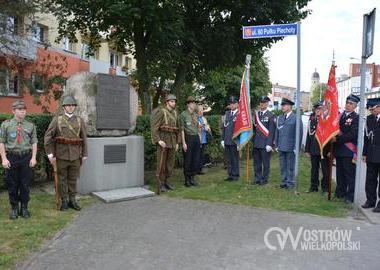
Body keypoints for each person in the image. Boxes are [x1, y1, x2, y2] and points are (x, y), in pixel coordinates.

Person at [44, 95, 88, 211]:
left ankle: (72, 200)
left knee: (73, 179)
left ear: (74, 107)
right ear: (64, 107)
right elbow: (48, 137)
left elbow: (83, 138)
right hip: (61, 155)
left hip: (75, 155)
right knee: (62, 179)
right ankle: (64, 200)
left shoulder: (79, 120)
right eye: (68, 105)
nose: (70, 108)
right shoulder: (57, 120)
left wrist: (84, 154)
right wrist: (50, 154)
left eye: (72, 105)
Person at [0, 100, 37, 219]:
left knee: (25, 184)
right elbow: (2, 143)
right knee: (12, 184)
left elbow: (34, 143)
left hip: (26, 157)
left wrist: (34, 157)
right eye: (20, 109)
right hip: (12, 157)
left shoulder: (30, 125)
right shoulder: (6, 125)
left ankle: (24, 208)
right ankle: (14, 208)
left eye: (24, 109)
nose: (22, 111)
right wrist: (4, 159)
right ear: (13, 111)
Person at [332, 94, 359, 203]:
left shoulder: (356, 118)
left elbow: (352, 135)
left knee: (349, 175)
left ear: (355, 106)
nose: (348, 105)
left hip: (348, 151)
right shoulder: (340, 116)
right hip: (339, 150)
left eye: (351, 104)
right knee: (339, 173)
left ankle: (350, 196)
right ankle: (340, 193)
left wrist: (337, 138)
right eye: (347, 103)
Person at [151, 94, 181, 193]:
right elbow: (154, 128)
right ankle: (161, 183)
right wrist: (158, 140)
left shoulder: (176, 113)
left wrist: (177, 142)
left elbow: (178, 129)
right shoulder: (161, 112)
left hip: (172, 142)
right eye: (172, 101)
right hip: (163, 142)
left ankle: (167, 181)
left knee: (170, 164)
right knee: (162, 164)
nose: (174, 103)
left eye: (174, 101)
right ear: (167, 102)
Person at [275, 98, 303, 189]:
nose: (282, 107)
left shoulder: (296, 118)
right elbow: (277, 131)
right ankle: (284, 181)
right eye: (282, 105)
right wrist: (276, 144)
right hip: (281, 145)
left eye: (284, 105)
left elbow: (299, 133)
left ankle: (290, 182)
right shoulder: (280, 117)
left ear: (290, 106)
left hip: (291, 146)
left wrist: (296, 147)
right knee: (283, 165)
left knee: (290, 165)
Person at [305, 101, 329, 193]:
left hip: (324, 150)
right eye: (316, 109)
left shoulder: (327, 121)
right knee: (314, 169)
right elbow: (309, 135)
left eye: (320, 109)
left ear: (324, 109)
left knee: (325, 170)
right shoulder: (312, 120)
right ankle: (313, 187)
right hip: (314, 149)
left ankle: (325, 188)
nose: (318, 111)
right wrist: (307, 149)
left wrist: (331, 151)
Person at [252, 96, 276, 185]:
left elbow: (272, 131)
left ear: (267, 103)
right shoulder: (257, 115)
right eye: (261, 102)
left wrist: (269, 144)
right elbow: (255, 129)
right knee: (257, 163)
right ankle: (257, 178)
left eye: (264, 102)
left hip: (265, 144)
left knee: (266, 163)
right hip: (257, 143)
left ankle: (264, 179)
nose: (262, 104)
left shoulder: (271, 115)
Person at [362, 97, 380, 212]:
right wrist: (364, 153)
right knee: (370, 178)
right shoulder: (369, 119)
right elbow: (366, 137)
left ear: (378, 107)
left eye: (372, 109)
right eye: (370, 109)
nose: (371, 111)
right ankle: (370, 200)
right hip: (371, 153)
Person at [180, 96, 201, 187]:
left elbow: (198, 127)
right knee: (188, 159)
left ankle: (192, 178)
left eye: (194, 103)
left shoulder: (196, 115)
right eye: (192, 103)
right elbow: (182, 130)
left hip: (196, 137)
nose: (194, 104)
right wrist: (184, 142)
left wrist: (199, 138)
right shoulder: (183, 114)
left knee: (195, 159)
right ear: (188, 104)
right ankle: (187, 180)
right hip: (188, 138)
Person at [221, 96, 240, 181]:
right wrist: (222, 139)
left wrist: (239, 142)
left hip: (234, 141)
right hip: (227, 140)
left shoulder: (239, 114)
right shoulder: (227, 114)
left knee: (234, 159)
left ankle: (235, 175)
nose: (232, 105)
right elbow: (224, 127)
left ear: (237, 104)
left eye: (233, 103)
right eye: (231, 104)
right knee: (228, 159)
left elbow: (240, 130)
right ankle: (230, 175)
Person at [197, 104, 211, 174]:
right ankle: (196, 169)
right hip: (198, 139)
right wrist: (201, 126)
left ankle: (200, 169)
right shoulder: (195, 118)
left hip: (203, 139)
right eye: (200, 110)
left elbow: (207, 127)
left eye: (202, 110)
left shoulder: (204, 118)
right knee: (197, 155)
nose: (201, 112)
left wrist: (208, 129)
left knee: (201, 155)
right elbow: (195, 128)